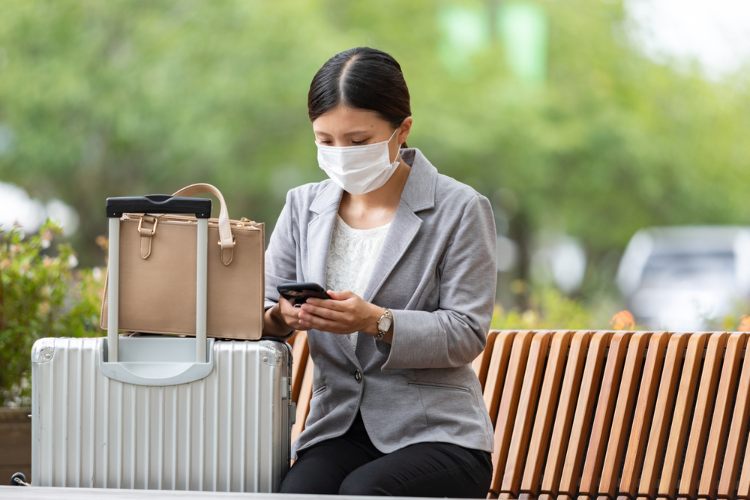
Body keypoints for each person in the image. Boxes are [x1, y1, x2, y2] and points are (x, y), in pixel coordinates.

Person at [262, 46, 497, 497]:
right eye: (325, 141)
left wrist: (377, 321)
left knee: (365, 492)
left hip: (438, 435)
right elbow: (260, 309)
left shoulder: (460, 209)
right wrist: (281, 318)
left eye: (357, 142)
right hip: (337, 429)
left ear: (402, 129)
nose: (340, 155)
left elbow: (467, 332)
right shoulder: (302, 206)